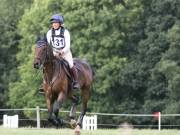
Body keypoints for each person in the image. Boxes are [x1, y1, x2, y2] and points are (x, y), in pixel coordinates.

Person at [46, 14, 80, 90]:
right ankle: (44, 83)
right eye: (53, 23)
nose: (54, 24)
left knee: (71, 65)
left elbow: (68, 45)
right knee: (47, 64)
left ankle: (75, 82)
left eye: (56, 22)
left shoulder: (65, 32)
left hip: (65, 52)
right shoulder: (49, 33)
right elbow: (49, 45)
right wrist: (55, 51)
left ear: (60, 23)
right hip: (54, 52)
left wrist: (62, 51)